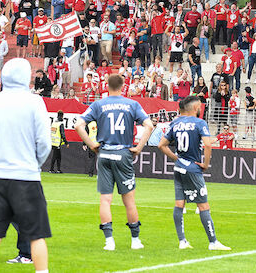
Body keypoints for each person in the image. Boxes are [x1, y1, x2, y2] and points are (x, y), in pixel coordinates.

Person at [0, 58, 52, 273]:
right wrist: (34, 163)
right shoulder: (35, 102)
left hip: (0, 176)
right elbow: (44, 142)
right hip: (27, 177)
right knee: (36, 234)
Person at [75, 74, 153, 251]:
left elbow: (79, 124)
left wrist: (92, 144)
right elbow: (149, 125)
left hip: (104, 153)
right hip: (123, 153)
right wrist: (139, 147)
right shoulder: (132, 104)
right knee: (129, 200)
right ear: (124, 86)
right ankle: (135, 240)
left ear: (106, 85)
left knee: (105, 199)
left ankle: (109, 241)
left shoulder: (98, 104)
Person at [158, 96, 231, 251]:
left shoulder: (175, 123)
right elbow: (207, 145)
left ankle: (182, 241)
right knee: (203, 205)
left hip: (179, 167)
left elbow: (161, 145)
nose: (200, 109)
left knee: (179, 203)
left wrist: (176, 158)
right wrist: (205, 164)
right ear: (195, 108)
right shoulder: (199, 123)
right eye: (198, 107)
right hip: (192, 169)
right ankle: (213, 242)